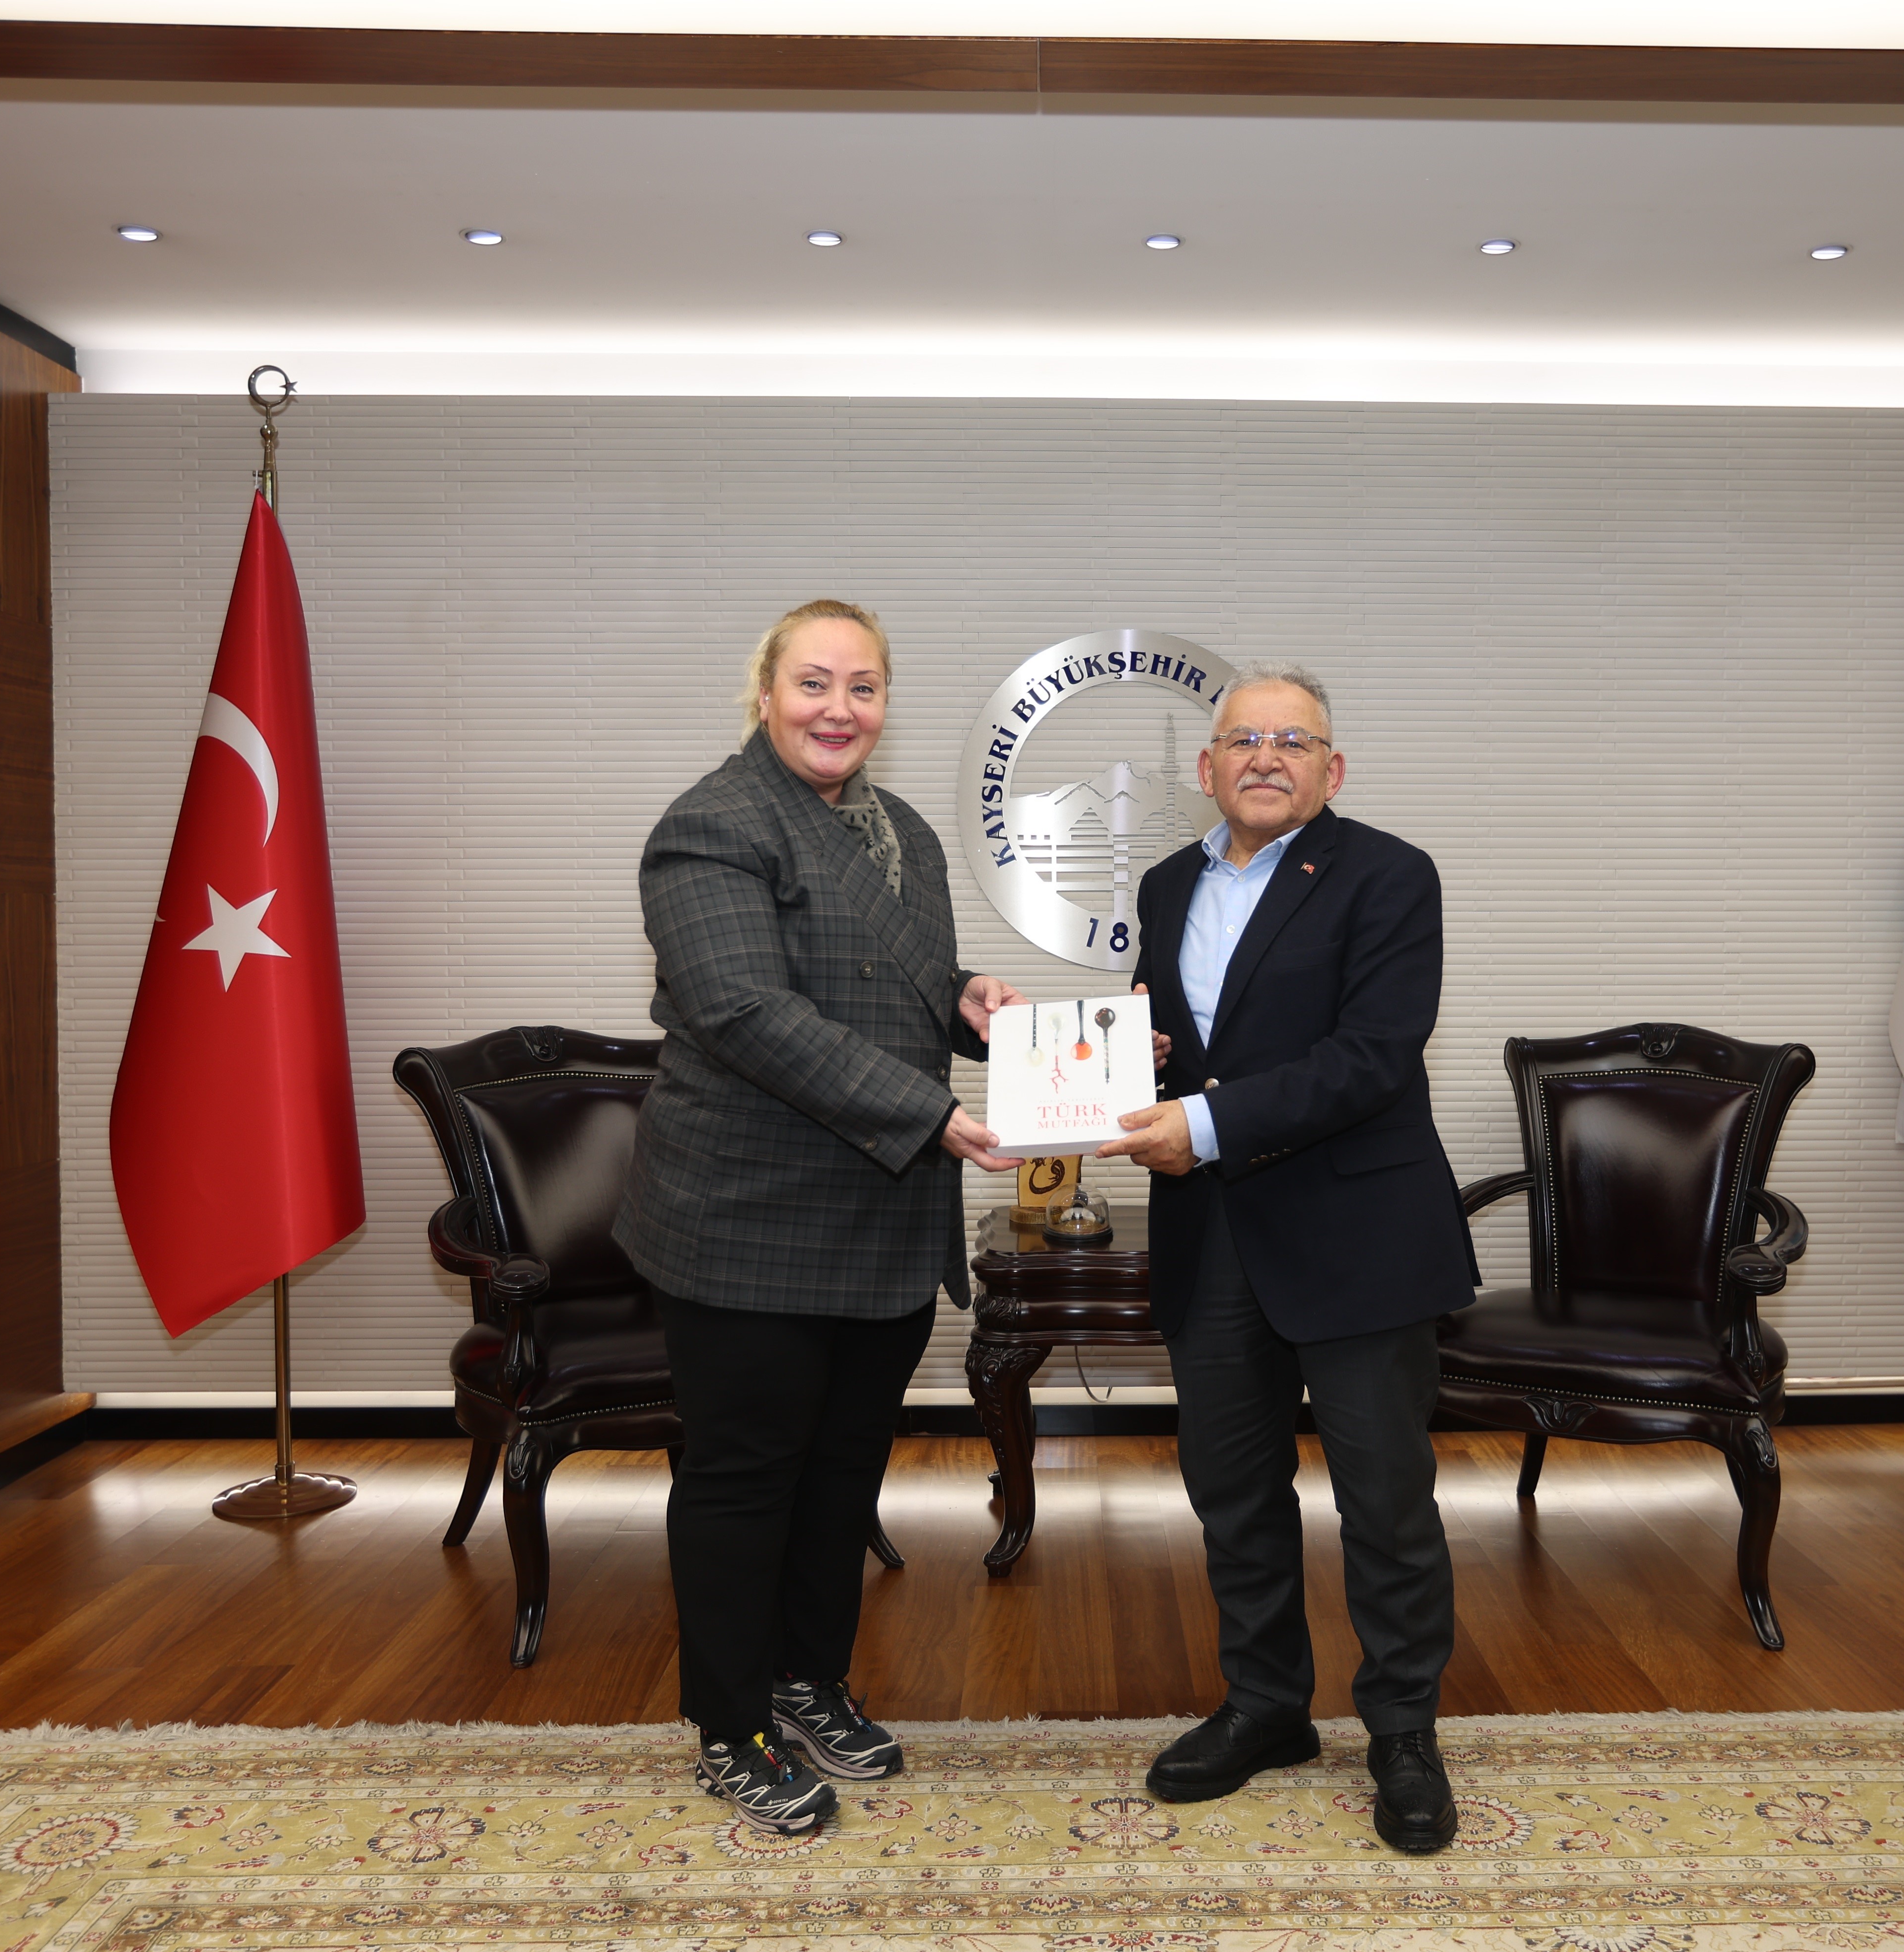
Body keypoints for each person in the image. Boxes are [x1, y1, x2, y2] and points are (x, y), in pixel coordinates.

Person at [619, 599, 1024, 1834]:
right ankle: (729, 1724)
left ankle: (807, 1680)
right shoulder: (710, 824)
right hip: (749, 1216)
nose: (838, 708)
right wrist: (931, 1109)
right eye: (813, 683)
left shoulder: (904, 831)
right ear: (765, 695)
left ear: (885, 704)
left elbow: (881, 976)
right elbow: (746, 1010)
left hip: (882, 1215)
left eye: (863, 686)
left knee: (842, 1474)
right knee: (746, 1481)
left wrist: (966, 1001)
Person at [1094, 663, 1478, 1855]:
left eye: (1293, 739)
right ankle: (1266, 1705)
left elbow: (1373, 1054)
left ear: (1332, 768)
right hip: (1210, 1234)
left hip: (1357, 1234)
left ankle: (1403, 1730)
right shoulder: (1168, 883)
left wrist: (1204, 1121)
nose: (1266, 756)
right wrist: (1140, 1066)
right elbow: (1190, 1048)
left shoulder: (1390, 875)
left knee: (1386, 1498)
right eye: (1243, 738)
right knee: (1232, 1491)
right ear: (1208, 768)